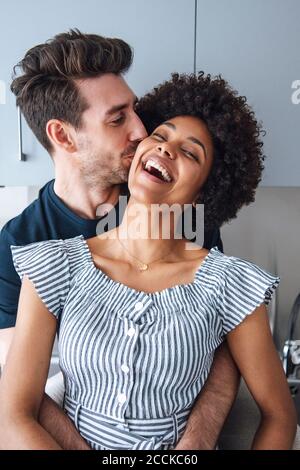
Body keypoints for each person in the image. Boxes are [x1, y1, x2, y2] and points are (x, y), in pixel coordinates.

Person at [0, 71, 297, 450]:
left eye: (191, 152)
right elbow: (14, 414)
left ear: (204, 192)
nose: (165, 148)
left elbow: (280, 415)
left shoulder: (231, 283)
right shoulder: (54, 263)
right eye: (160, 135)